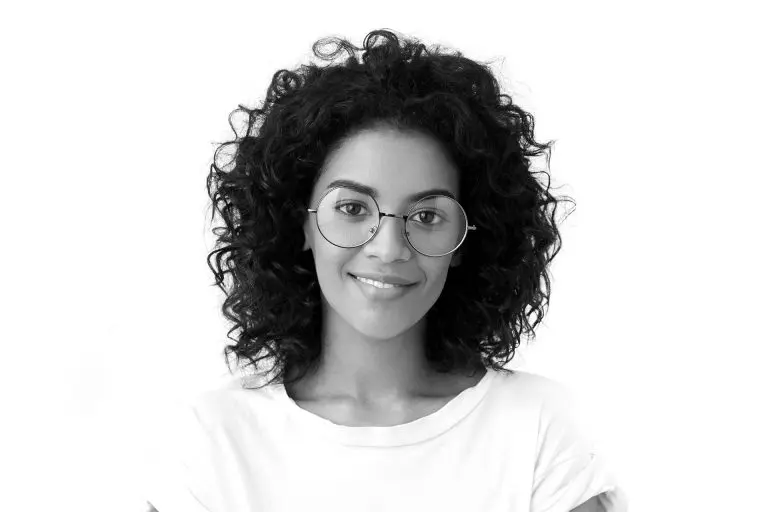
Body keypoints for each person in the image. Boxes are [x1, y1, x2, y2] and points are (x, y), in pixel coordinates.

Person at [139, 28, 627, 511]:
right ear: (300, 223)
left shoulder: (537, 431)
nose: (389, 248)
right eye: (353, 209)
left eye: (427, 216)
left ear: (465, 241)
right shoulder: (215, 442)